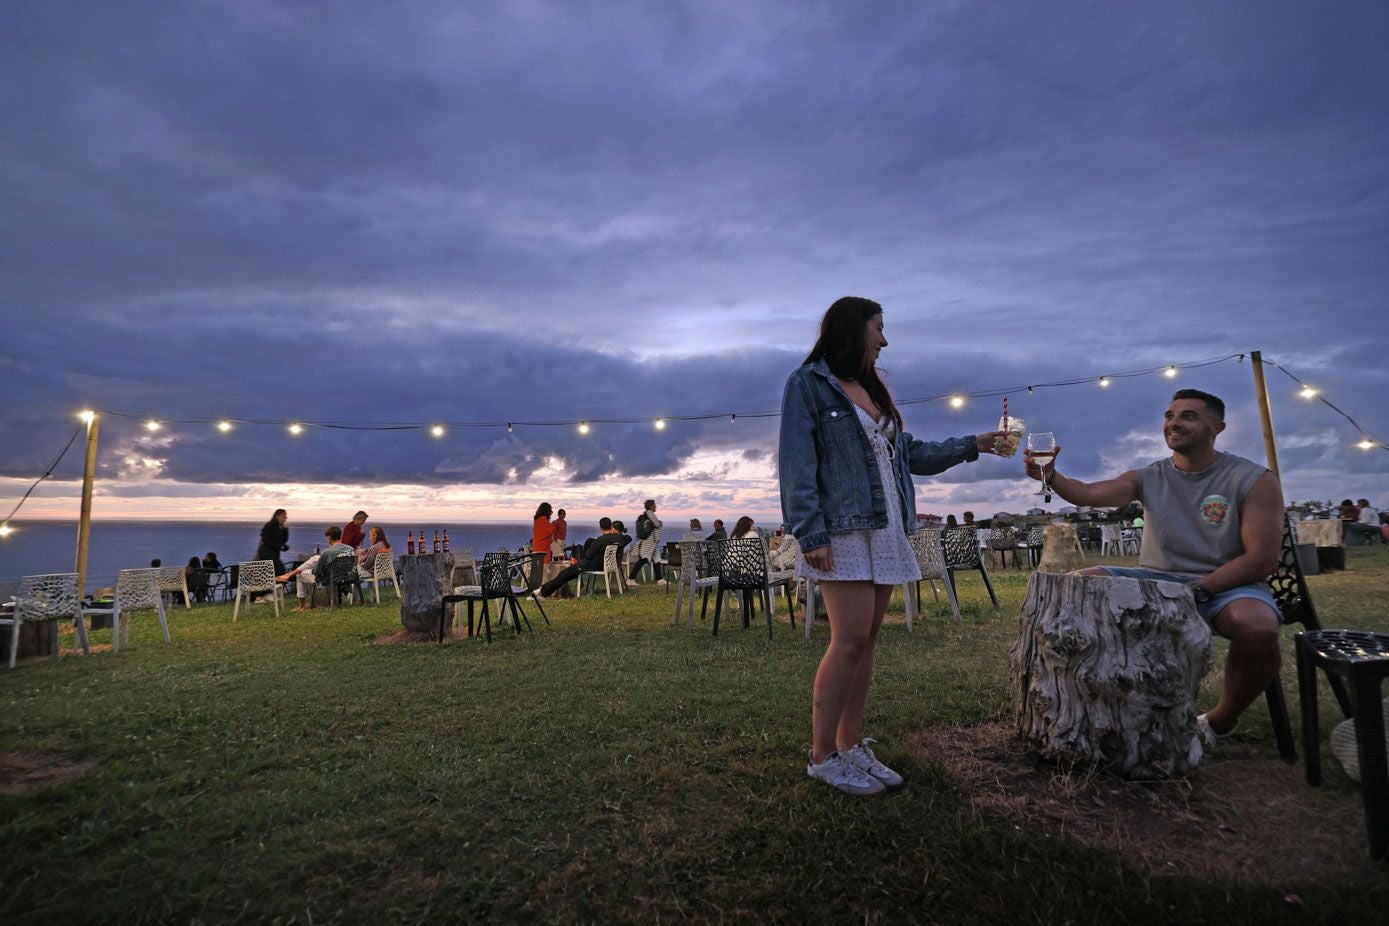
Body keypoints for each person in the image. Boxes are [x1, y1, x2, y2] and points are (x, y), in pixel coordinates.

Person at [780, 296, 1004, 795]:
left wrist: (975, 444)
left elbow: (910, 455)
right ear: (853, 329)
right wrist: (810, 533)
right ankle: (822, 756)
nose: (885, 339)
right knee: (848, 638)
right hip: (842, 528)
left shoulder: (873, 389)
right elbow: (797, 464)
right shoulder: (808, 384)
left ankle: (849, 744)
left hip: (885, 527)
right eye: (878, 328)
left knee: (867, 640)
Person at [1024, 388, 1284, 757]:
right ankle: (1089, 708)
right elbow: (1088, 493)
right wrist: (1051, 475)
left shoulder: (1253, 478)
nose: (1174, 423)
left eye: (1188, 416)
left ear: (1217, 428)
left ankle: (1220, 720)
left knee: (1257, 627)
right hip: (1157, 581)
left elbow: (1261, 559)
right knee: (1075, 588)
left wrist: (1199, 589)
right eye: (1169, 415)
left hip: (1227, 584)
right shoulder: (1149, 476)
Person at [537, 517, 626, 597]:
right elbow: (627, 538)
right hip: (606, 564)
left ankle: (543, 592)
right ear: (610, 526)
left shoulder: (600, 540)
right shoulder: (618, 538)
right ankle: (543, 589)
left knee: (564, 574)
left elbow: (588, 556)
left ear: (601, 528)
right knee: (568, 573)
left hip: (595, 565)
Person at [627, 499, 664, 584]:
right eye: (654, 505)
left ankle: (660, 579)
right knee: (643, 560)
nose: (656, 506)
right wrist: (660, 523)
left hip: (650, 542)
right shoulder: (650, 513)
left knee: (656, 559)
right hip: (648, 543)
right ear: (650, 506)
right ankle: (630, 579)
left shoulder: (646, 515)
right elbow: (657, 524)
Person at [255, 509, 290, 576]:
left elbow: (284, 540)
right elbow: (265, 539)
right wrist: (279, 546)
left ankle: (275, 582)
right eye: (284, 515)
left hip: (274, 553)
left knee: (277, 571)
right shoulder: (270, 525)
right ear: (277, 516)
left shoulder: (280, 527)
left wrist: (286, 530)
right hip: (267, 552)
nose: (286, 517)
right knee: (279, 571)